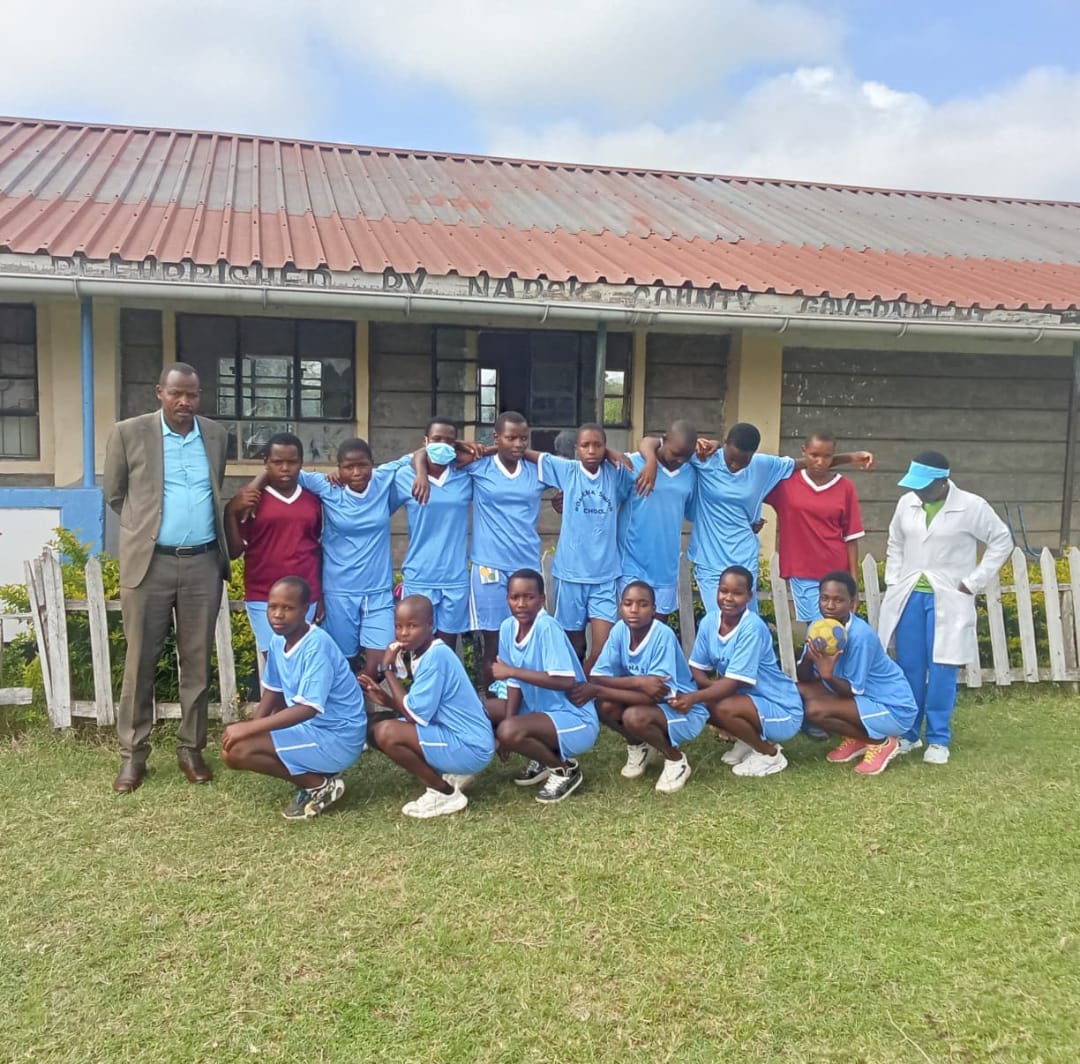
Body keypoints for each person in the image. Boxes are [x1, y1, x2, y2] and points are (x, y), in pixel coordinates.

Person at [103, 362, 230, 793]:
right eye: (176, 393)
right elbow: (115, 494)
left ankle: (191, 749)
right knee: (140, 661)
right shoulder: (128, 433)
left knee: (197, 661)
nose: (185, 402)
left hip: (203, 563)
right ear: (160, 392)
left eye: (192, 394)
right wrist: (147, 532)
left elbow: (215, 489)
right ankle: (132, 755)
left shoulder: (215, 435)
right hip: (150, 564)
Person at [639, 424, 872, 610]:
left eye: (743, 461)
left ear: (754, 454)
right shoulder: (705, 458)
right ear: (725, 444)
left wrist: (851, 457)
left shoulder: (764, 465)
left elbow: (812, 462)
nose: (735, 465)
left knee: (746, 622)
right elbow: (654, 441)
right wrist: (650, 462)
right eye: (731, 458)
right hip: (709, 558)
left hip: (744, 556)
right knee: (718, 620)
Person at [877, 452, 1012, 764]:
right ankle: (909, 733)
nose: (918, 492)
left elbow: (1002, 540)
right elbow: (895, 541)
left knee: (942, 667)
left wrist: (973, 581)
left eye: (924, 487)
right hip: (910, 594)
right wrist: (893, 579)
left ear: (942, 482)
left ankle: (938, 739)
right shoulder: (906, 503)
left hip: (949, 596)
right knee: (909, 666)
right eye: (915, 486)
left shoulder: (971, 506)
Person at [221, 577, 366, 819]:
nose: (278, 615)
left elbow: (307, 709)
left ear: (305, 610)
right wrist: (254, 727)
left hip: (338, 737)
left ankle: (320, 786)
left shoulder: (317, 645)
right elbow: (274, 690)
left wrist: (249, 729)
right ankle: (318, 775)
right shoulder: (278, 640)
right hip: (311, 730)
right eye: (272, 607)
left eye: (287, 608)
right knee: (237, 747)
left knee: (238, 751)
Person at [359, 595, 495, 819]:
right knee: (374, 732)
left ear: (430, 624)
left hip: (470, 746)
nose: (403, 633)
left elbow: (414, 715)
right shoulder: (421, 653)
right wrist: (387, 700)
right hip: (458, 736)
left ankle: (444, 792)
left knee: (386, 732)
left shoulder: (436, 656)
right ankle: (452, 771)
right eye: (398, 626)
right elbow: (421, 710)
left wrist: (387, 670)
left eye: (412, 626)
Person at [674, 565, 803, 777]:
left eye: (737, 593)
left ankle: (769, 755)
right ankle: (748, 740)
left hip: (781, 708)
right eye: (723, 591)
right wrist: (710, 690)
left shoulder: (752, 627)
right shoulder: (709, 622)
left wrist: (696, 696)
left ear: (749, 596)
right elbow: (696, 668)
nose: (728, 598)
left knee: (721, 706)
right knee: (708, 703)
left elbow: (733, 683)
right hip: (747, 701)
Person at [292, 438, 404, 680]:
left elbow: (419, 456)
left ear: (373, 464)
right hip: (339, 592)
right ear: (338, 468)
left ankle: (355, 698)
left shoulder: (383, 479)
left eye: (362, 465)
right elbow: (288, 470)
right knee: (342, 662)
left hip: (377, 592)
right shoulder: (327, 486)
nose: (356, 473)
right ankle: (349, 703)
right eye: (348, 467)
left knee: (380, 666)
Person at [485, 569, 601, 803]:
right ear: (507, 598)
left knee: (508, 731)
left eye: (529, 597)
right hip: (540, 710)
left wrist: (512, 671)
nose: (521, 604)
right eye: (514, 597)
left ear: (542, 599)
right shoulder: (507, 627)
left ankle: (564, 770)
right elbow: (514, 684)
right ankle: (543, 756)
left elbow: (565, 681)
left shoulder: (547, 627)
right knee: (485, 711)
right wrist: (509, 724)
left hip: (574, 717)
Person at [451, 412, 546, 692]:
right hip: (488, 566)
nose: (518, 444)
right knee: (492, 641)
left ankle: (523, 698)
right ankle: (491, 701)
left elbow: (570, 472)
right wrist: (486, 449)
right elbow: (442, 450)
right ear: (496, 437)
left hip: (526, 566)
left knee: (527, 636)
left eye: (523, 438)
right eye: (510, 438)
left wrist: (563, 496)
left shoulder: (537, 470)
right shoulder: (479, 466)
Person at [584, 580, 709, 793]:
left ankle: (676, 760)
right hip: (644, 700)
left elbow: (655, 695)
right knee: (603, 705)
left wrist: (601, 689)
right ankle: (638, 746)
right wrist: (638, 681)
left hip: (681, 708)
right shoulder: (619, 630)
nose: (634, 610)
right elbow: (597, 676)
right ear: (620, 607)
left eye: (642, 604)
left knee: (633, 716)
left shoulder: (662, 635)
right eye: (628, 603)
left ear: (653, 609)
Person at [796, 571, 918, 775]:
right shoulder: (818, 627)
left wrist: (827, 676)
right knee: (797, 692)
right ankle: (857, 738)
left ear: (852, 603)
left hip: (892, 707)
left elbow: (853, 691)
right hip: (859, 699)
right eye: (824, 598)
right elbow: (804, 678)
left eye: (838, 600)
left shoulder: (861, 636)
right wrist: (809, 658)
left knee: (815, 710)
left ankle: (881, 742)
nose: (830, 606)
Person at [536, 423, 635, 670]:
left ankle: (587, 686)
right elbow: (529, 455)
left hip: (605, 576)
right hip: (571, 575)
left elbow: (644, 454)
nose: (591, 450)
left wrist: (611, 453)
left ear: (605, 447)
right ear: (576, 449)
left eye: (598, 445)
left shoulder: (615, 473)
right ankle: (577, 687)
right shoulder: (568, 471)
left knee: (603, 650)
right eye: (585, 445)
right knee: (574, 646)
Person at [224, 432, 322, 662]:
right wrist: (230, 512)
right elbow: (234, 551)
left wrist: (321, 595)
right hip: (263, 596)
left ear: (301, 463)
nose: (285, 468)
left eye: (292, 462)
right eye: (278, 462)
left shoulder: (313, 501)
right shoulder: (252, 501)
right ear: (266, 462)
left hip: (306, 595)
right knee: (277, 661)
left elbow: (319, 549)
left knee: (303, 659)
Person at [764, 430, 864, 629]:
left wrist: (853, 583)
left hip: (836, 571)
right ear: (804, 451)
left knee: (834, 631)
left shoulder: (845, 487)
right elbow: (750, 489)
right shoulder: (785, 484)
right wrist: (752, 520)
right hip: (802, 571)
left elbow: (851, 537)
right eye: (814, 455)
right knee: (819, 629)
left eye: (827, 456)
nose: (820, 462)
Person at [393, 418, 473, 646]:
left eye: (449, 441)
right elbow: (379, 508)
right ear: (425, 441)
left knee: (445, 647)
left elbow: (494, 453)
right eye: (437, 439)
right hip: (420, 575)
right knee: (417, 646)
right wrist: (420, 471)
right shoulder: (404, 477)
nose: (442, 445)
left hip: (454, 576)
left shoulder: (466, 476)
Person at [617, 421, 697, 621]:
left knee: (657, 631)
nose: (679, 460)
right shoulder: (634, 464)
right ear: (664, 440)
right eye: (675, 453)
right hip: (631, 564)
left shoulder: (690, 473)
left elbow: (693, 512)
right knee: (630, 628)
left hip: (665, 569)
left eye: (686, 456)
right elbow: (606, 499)